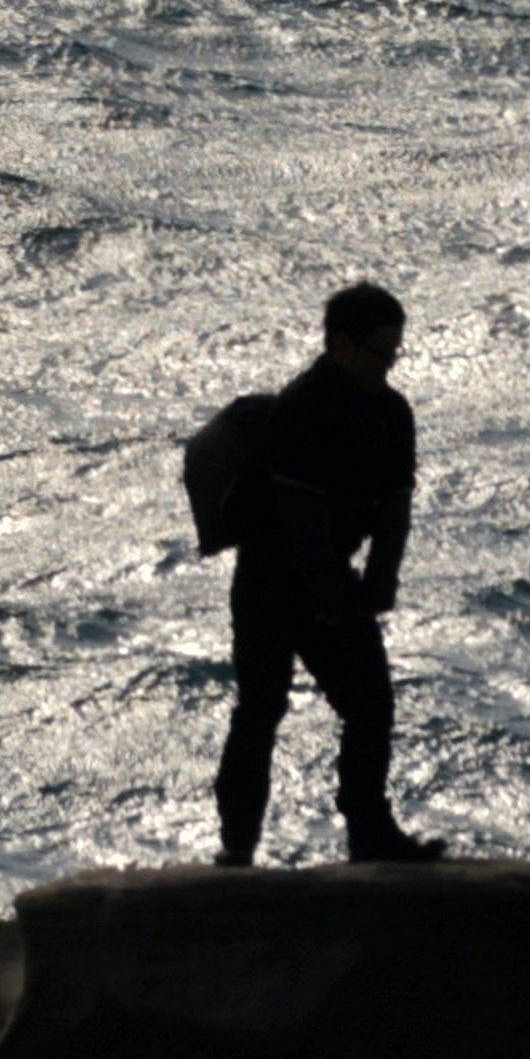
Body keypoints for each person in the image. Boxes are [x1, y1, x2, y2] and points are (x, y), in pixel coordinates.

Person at [214, 280, 435, 866]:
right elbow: (301, 516)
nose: (389, 365)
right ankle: (237, 851)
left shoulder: (392, 413)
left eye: (396, 353)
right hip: (269, 579)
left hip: (332, 574)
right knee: (261, 708)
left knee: (371, 705)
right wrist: (331, 600)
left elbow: (395, 507)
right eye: (379, 353)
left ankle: (369, 834)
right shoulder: (301, 409)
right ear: (341, 344)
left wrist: (380, 584)